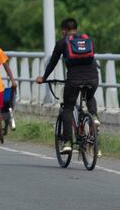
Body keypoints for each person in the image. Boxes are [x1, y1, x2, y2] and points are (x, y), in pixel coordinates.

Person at [36, 18, 100, 154]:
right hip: (93, 77)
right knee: (90, 96)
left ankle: (67, 143)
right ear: (76, 29)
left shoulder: (62, 43)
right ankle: (94, 118)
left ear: (64, 30)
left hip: (74, 79)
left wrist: (43, 78)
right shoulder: (87, 40)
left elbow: (52, 63)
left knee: (68, 107)